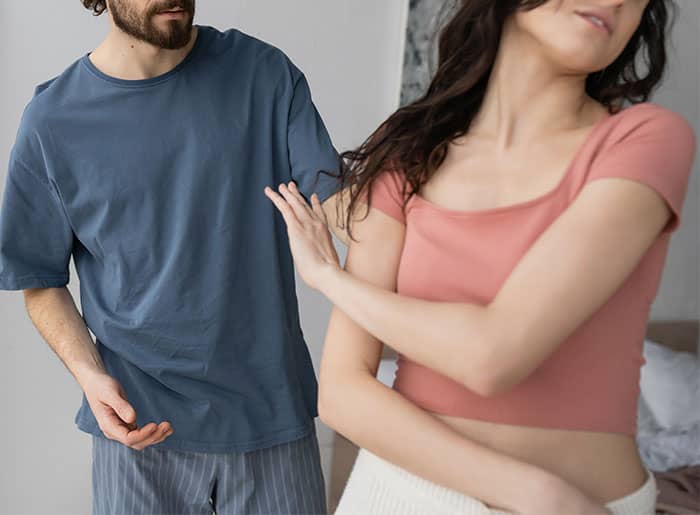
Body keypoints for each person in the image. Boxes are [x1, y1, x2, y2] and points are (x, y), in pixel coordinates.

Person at [265, 0, 697, 514]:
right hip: (408, 497)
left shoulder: (645, 140)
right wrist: (539, 493)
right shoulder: (408, 157)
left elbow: (493, 355)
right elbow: (342, 392)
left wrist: (330, 279)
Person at [0, 0, 347, 513]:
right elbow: (39, 278)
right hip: (137, 430)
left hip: (271, 420)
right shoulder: (51, 121)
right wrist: (90, 377)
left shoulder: (265, 75)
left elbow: (342, 207)